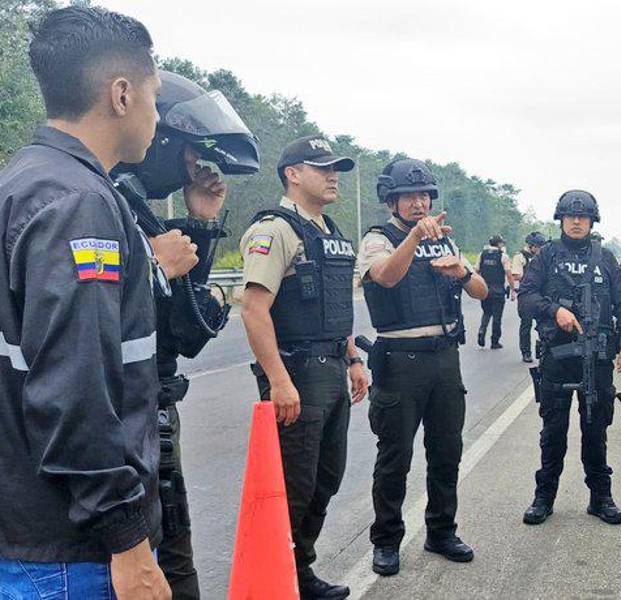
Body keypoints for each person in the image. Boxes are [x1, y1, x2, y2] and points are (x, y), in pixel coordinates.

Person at [0, 6, 170, 598]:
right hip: (71, 549)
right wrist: (127, 539)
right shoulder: (78, 203)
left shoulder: (22, 180)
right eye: (154, 96)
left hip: (25, 529)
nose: (157, 116)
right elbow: (75, 388)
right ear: (121, 95)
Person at [113, 69, 260, 600]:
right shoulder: (96, 203)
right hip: (119, 421)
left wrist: (201, 223)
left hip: (153, 411)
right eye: (192, 155)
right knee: (147, 565)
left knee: (174, 554)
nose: (196, 169)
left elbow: (187, 332)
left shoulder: (137, 210)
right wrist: (152, 267)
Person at [240, 135, 369, 600]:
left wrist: (353, 358)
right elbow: (253, 309)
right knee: (292, 485)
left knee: (325, 479)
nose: (333, 176)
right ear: (292, 174)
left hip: (332, 369)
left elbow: (336, 308)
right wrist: (279, 380)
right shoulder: (274, 230)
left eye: (335, 168)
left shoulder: (329, 230)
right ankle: (273, 583)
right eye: (322, 168)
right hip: (297, 373)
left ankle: (298, 571)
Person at [358, 158, 488, 576]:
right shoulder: (378, 239)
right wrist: (414, 237)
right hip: (400, 362)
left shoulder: (444, 240)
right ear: (391, 201)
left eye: (424, 196)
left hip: (445, 360)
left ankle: (442, 532)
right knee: (395, 459)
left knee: (447, 453)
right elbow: (385, 276)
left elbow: (482, 290)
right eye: (409, 196)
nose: (419, 203)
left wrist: (462, 271)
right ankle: (386, 540)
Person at [518, 190, 621, 526]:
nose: (576, 221)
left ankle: (601, 498)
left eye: (582, 217)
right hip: (558, 357)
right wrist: (554, 311)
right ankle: (544, 497)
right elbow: (526, 297)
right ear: (561, 220)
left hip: (597, 358)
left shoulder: (605, 258)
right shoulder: (547, 256)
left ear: (592, 221)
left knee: (595, 430)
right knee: (553, 432)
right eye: (570, 216)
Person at [513, 231, 548, 363]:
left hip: (541, 294)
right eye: (538, 247)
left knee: (544, 325)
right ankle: (526, 352)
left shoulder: (544, 257)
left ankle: (543, 351)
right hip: (526, 295)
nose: (540, 250)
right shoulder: (520, 257)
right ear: (531, 246)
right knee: (526, 325)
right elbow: (516, 275)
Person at [477, 234, 510, 349]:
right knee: (497, 316)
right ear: (499, 244)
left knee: (486, 312)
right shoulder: (503, 256)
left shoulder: (482, 254)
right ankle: (494, 341)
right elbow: (508, 273)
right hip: (498, 290)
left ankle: (482, 330)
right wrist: (512, 288)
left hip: (485, 289)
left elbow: (476, 271)